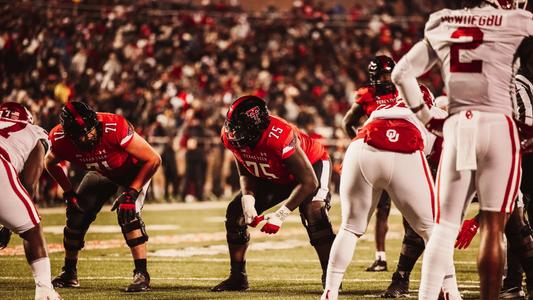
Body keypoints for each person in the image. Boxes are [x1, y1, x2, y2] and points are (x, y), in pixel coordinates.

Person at [391, 1, 533, 298]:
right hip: (498, 122)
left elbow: (401, 74)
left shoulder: (444, 21)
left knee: (443, 228)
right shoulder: (519, 20)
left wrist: (427, 117)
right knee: (494, 229)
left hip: (458, 123)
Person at [321, 56, 459, 300]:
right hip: (402, 148)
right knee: (433, 231)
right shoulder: (436, 115)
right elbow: (445, 163)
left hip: (361, 147)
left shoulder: (382, 106)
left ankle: (330, 292)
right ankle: (451, 293)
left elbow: (352, 123)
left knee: (350, 228)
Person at [211, 95, 335, 291]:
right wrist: (248, 199)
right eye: (233, 125)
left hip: (311, 166)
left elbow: (309, 181)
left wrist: (281, 215)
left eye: (241, 127)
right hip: (275, 172)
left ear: (257, 126)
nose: (234, 132)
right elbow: (246, 166)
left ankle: (331, 277)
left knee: (314, 212)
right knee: (236, 213)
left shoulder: (278, 136)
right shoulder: (231, 136)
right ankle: (238, 277)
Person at [45, 101, 161, 292]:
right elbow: (49, 163)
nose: (87, 137)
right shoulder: (60, 138)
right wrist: (68, 191)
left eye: (89, 131)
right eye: (80, 135)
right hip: (102, 173)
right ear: (69, 135)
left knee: (128, 214)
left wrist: (131, 193)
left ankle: (141, 274)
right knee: (76, 215)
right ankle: (69, 273)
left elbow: (153, 159)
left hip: (132, 171)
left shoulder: (114, 126)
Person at [341, 55, 430, 297]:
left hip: (406, 157)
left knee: (415, 221)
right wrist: (362, 142)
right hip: (377, 156)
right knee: (370, 215)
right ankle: (382, 257)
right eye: (379, 76)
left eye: (387, 75)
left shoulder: (406, 89)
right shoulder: (367, 96)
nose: (384, 80)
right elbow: (347, 122)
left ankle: (412, 279)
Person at [0, 102, 61, 300]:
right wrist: (10, 225)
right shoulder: (34, 132)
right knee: (32, 229)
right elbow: (29, 183)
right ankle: (44, 291)